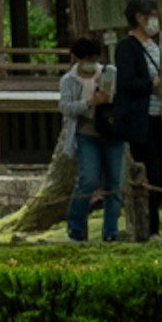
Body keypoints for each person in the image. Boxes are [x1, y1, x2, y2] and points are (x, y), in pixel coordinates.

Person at [116, 0, 162, 240]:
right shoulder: (126, 47)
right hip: (141, 119)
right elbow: (127, 82)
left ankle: (152, 222)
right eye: (154, 15)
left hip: (161, 117)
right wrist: (153, 84)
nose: (156, 21)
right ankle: (150, 229)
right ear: (140, 17)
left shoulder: (157, 46)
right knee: (151, 173)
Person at [59, 36, 122, 243]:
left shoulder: (109, 72)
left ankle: (111, 231)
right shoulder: (69, 80)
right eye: (86, 58)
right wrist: (90, 102)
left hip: (111, 132)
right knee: (88, 180)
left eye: (93, 58)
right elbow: (66, 108)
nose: (90, 62)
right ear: (76, 59)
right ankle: (75, 228)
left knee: (114, 183)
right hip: (86, 133)